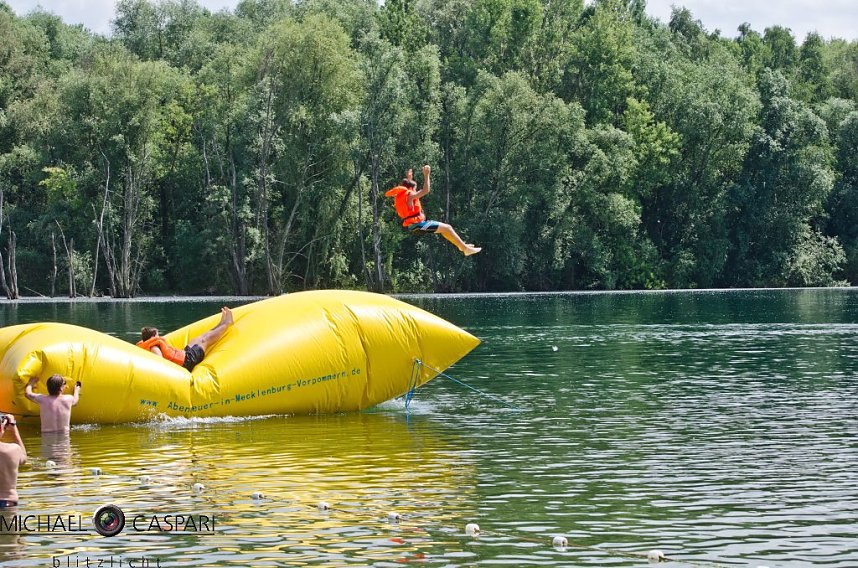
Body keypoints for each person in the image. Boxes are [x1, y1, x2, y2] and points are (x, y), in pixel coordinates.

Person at [385, 165, 481, 256]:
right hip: (418, 225)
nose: (416, 190)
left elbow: (409, 186)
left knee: (445, 230)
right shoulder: (410, 195)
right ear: (411, 188)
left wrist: (409, 177)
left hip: (414, 226)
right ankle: (465, 249)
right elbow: (425, 190)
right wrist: (426, 175)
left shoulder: (403, 195)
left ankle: (462, 246)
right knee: (448, 228)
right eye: (415, 188)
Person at [137, 306, 234, 372]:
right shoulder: (154, 347)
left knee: (198, 338)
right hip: (187, 362)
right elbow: (161, 363)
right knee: (205, 340)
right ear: (153, 336)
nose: (160, 337)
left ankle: (221, 324)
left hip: (184, 355)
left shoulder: (147, 344)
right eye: (158, 335)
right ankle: (227, 323)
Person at [0, 413, 27, 508]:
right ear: (1, 429)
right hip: (8, 502)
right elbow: (23, 458)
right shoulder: (13, 449)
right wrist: (14, 427)